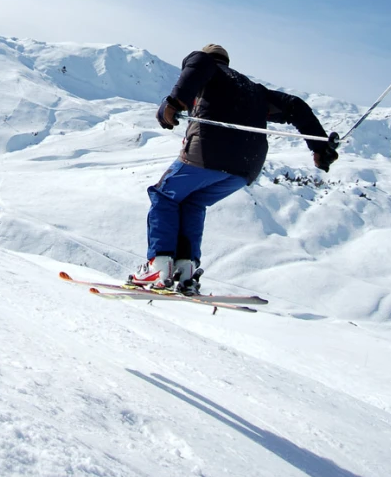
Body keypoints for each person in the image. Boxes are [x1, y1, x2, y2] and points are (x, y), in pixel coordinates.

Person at [131, 44, 339, 294]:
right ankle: (184, 271)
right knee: (192, 203)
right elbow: (294, 106)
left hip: (208, 153)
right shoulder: (254, 91)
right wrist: (319, 146)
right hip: (247, 168)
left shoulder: (207, 68)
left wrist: (173, 103)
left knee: (163, 195)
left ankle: (159, 267)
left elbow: (199, 63)